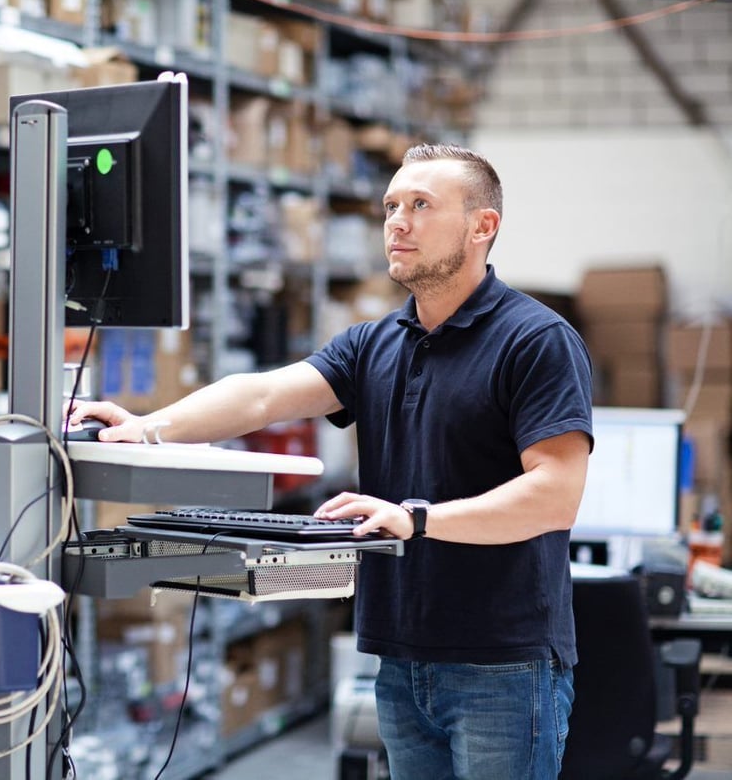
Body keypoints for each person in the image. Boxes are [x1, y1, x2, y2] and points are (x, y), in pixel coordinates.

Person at [69, 144, 594, 779]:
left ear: (482, 226)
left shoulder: (535, 341)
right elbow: (261, 393)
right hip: (401, 655)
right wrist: (149, 427)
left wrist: (417, 518)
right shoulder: (377, 342)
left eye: (421, 205)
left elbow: (555, 493)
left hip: (502, 664)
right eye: (390, 206)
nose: (396, 222)